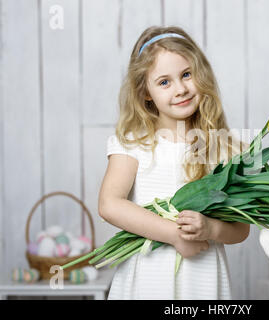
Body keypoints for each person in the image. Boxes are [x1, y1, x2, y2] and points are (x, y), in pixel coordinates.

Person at [99, 25, 250, 300]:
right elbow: (110, 204)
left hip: (202, 278)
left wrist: (211, 228)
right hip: (147, 277)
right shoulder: (133, 143)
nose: (180, 89)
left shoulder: (222, 147)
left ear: (201, 74)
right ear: (146, 92)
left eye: (186, 75)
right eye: (164, 82)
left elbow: (241, 229)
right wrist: (174, 234)